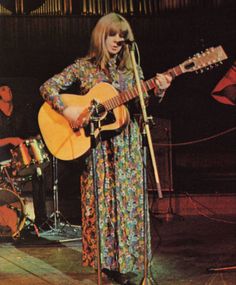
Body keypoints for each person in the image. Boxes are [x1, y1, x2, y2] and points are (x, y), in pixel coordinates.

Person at [40, 13, 172, 280]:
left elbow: (143, 105)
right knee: (102, 206)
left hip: (127, 149)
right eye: (113, 35)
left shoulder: (131, 69)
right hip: (98, 149)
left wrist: (159, 90)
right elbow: (48, 87)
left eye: (122, 37)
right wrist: (67, 111)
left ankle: (129, 264)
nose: (118, 41)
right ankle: (107, 265)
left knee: (128, 204)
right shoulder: (83, 67)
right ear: (102, 35)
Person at [0, 83, 48, 231]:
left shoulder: (21, 112)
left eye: (9, 88)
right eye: (3, 89)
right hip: (2, 159)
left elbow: (30, 133)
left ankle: (41, 220)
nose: (8, 91)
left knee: (39, 172)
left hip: (20, 159)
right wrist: (9, 140)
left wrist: (36, 138)